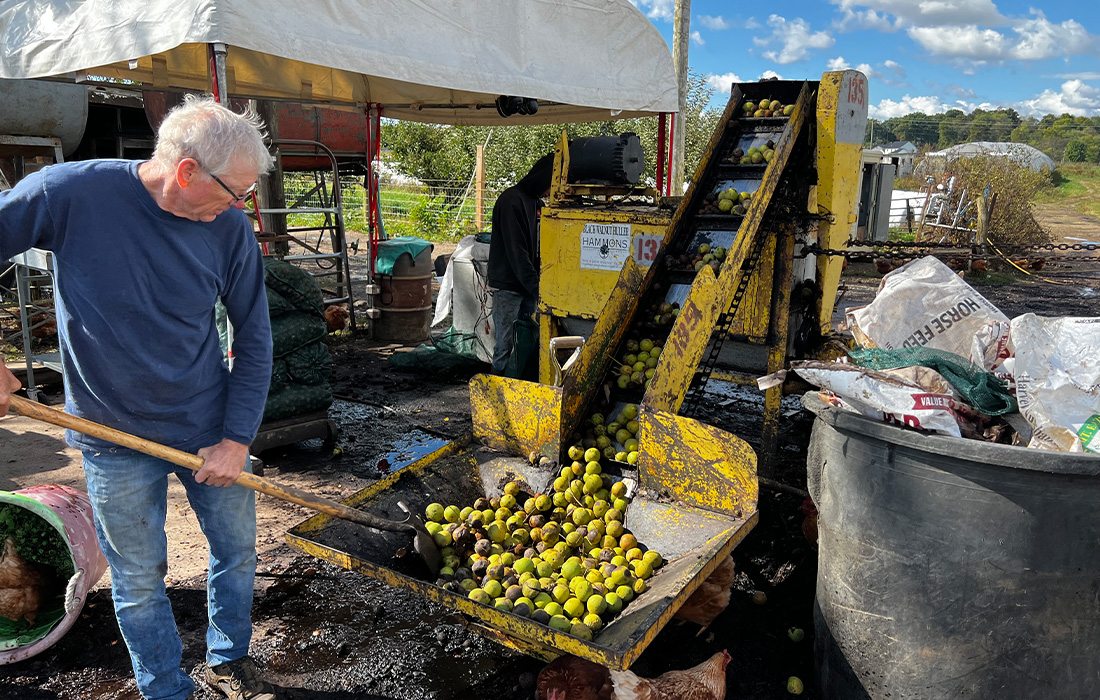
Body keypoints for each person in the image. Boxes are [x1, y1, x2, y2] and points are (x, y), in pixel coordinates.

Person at [0, 95, 277, 700]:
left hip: (209, 427)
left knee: (236, 552)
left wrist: (236, 439)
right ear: (187, 171)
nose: (240, 207)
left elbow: (256, 339)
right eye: (236, 192)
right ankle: (165, 688)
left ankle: (229, 660)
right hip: (110, 435)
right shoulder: (67, 194)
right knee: (139, 577)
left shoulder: (228, 230)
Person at [487, 153, 555, 375]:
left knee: (526, 339)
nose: (550, 193)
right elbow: (517, 251)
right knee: (505, 343)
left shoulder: (536, 203)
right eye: (550, 186)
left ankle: (517, 380)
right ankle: (496, 383)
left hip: (527, 285)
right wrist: (537, 287)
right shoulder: (511, 201)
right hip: (509, 285)